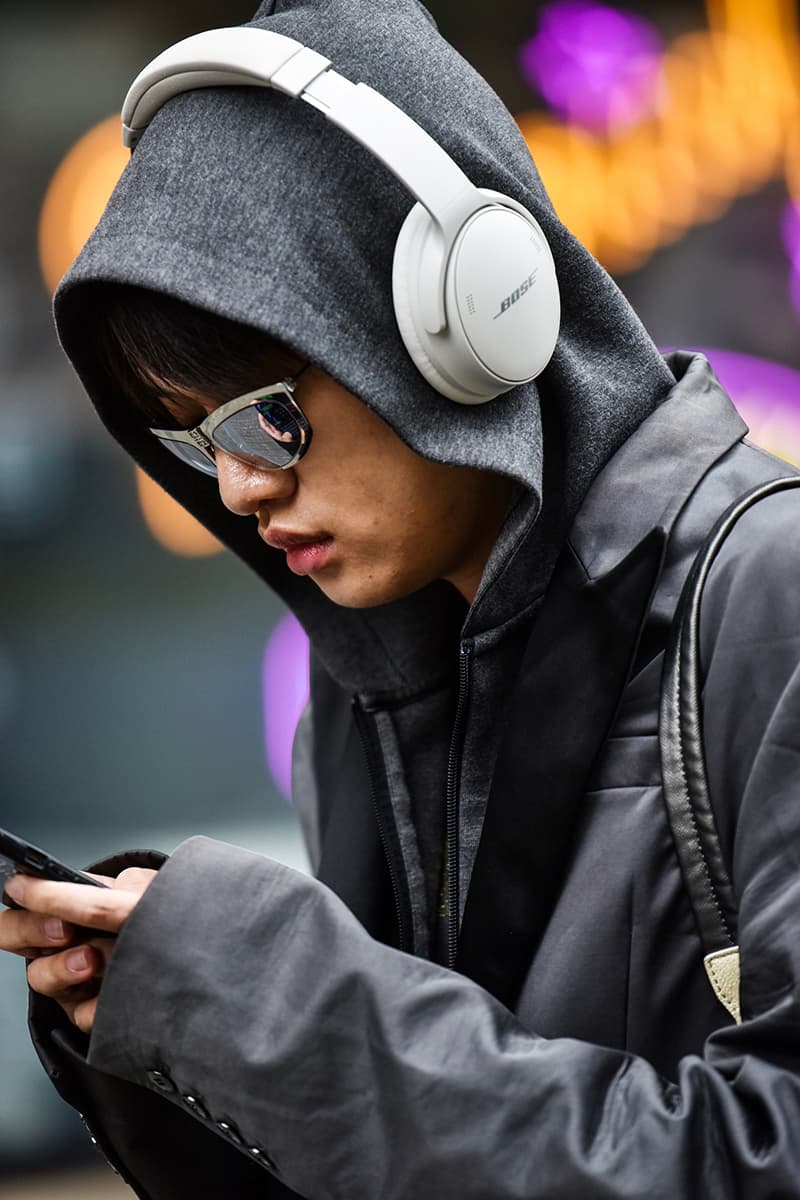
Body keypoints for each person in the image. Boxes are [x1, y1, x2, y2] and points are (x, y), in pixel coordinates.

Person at [2, 1, 800, 1196]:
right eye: (185, 439)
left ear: (460, 314)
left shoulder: (769, 593)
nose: (236, 486)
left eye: (261, 412)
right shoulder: (364, 679)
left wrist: (286, 994)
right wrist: (189, 1012)